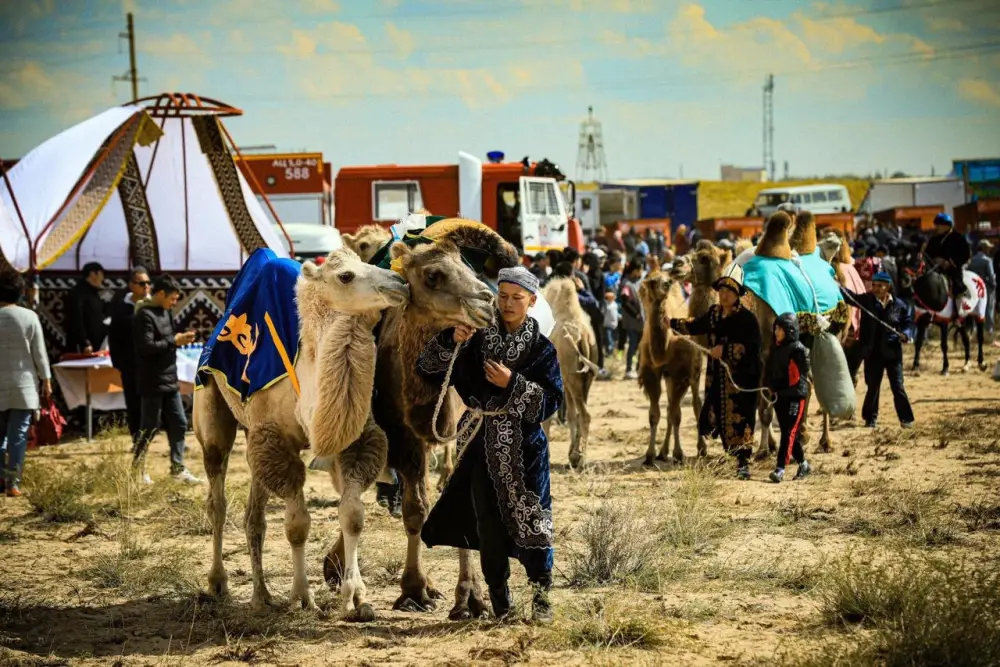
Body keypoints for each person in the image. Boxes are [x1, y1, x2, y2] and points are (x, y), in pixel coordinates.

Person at [418, 266, 563, 623]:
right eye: (503, 296)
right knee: (488, 525)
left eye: (517, 298)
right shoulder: (475, 338)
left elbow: (551, 402)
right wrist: (451, 339)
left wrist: (512, 382)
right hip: (479, 443)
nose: (509, 304)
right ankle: (501, 604)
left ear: (532, 301)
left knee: (533, 520)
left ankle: (542, 599)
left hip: (526, 450)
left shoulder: (542, 349)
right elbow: (427, 368)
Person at [670, 264, 761, 479]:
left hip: (742, 379)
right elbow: (696, 325)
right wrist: (672, 323)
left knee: (741, 419)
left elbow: (753, 348)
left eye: (728, 291)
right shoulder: (713, 314)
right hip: (717, 377)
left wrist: (726, 350)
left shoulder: (747, 319)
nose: (724, 295)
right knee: (715, 415)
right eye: (721, 290)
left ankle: (743, 462)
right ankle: (730, 456)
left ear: (737, 295)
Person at [132, 275, 201, 484]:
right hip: (152, 380)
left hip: (170, 378)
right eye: (172, 298)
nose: (174, 303)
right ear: (161, 294)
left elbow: (167, 341)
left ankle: (177, 468)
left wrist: (179, 340)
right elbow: (146, 347)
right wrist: (174, 341)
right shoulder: (144, 315)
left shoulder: (166, 312)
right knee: (149, 426)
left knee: (179, 422)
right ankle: (138, 469)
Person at [0, 271, 52, 497]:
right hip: (24, 387)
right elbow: (39, 353)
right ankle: (13, 483)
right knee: (18, 435)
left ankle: (1, 477)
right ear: (20, 293)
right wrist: (46, 380)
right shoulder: (29, 317)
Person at [841, 272, 914, 428]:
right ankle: (870, 419)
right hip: (872, 353)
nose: (875, 288)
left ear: (888, 287)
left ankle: (906, 419)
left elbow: (907, 323)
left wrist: (906, 334)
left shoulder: (899, 305)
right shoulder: (867, 300)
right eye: (873, 285)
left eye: (879, 286)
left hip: (893, 353)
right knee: (873, 387)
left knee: (898, 386)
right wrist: (836, 285)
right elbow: (849, 297)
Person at [108, 267, 151, 451]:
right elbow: (114, 337)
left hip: (151, 366)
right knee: (134, 404)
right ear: (131, 285)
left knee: (153, 404)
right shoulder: (121, 309)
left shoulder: (154, 306)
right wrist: (119, 363)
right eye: (141, 283)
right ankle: (137, 441)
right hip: (130, 365)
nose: (146, 287)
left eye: (148, 283)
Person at [766, 314, 811, 483]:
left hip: (794, 398)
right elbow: (772, 371)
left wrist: (779, 389)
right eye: (776, 328)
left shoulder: (798, 351)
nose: (776, 332)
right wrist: (770, 386)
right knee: (788, 433)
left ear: (789, 330)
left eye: (780, 329)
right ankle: (804, 464)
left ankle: (780, 469)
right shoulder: (775, 348)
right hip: (780, 398)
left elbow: (795, 379)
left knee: (788, 433)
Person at [925, 213, 971, 303]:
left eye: (938, 225)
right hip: (934, 267)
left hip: (951, 267)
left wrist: (949, 262)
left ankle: (960, 301)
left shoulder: (958, 238)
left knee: (956, 282)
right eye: (936, 225)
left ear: (947, 226)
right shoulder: (933, 240)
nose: (936, 227)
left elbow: (965, 254)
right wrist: (934, 259)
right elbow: (928, 253)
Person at [64, 262, 109, 354]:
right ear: (93, 274)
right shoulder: (78, 294)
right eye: (101, 274)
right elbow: (76, 319)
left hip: (96, 345)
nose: (102, 278)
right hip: (84, 347)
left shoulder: (93, 293)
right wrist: (84, 342)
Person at [618, 258, 644, 380]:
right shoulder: (626, 284)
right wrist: (635, 314)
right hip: (632, 320)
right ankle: (628, 369)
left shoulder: (640, 281)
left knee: (641, 344)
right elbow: (625, 302)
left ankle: (640, 367)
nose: (641, 272)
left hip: (641, 320)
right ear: (634, 270)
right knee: (633, 344)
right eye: (640, 269)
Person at [969, 239, 996, 337]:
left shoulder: (971, 260)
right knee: (988, 309)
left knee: (975, 309)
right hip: (986, 288)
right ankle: (989, 331)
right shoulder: (987, 260)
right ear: (984, 248)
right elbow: (991, 276)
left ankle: (974, 330)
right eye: (988, 248)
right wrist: (994, 285)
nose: (989, 250)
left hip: (973, 288)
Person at [602, 291, 620, 357]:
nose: (612, 298)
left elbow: (616, 313)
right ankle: (609, 351)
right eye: (610, 297)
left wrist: (620, 317)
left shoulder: (615, 304)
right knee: (609, 339)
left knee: (613, 339)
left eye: (612, 297)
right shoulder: (606, 305)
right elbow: (603, 312)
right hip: (607, 325)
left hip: (614, 325)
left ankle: (611, 350)